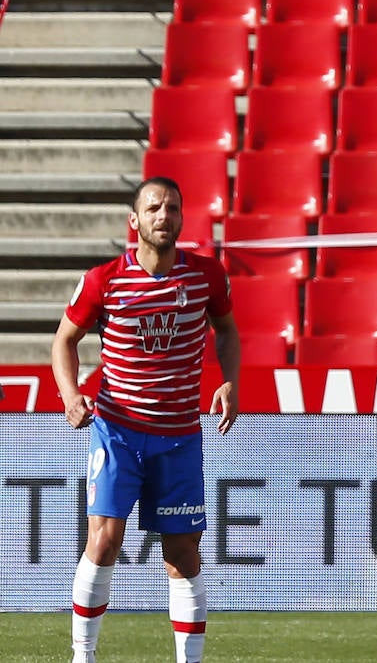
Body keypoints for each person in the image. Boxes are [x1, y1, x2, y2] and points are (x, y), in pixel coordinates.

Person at [52, 177, 240, 663]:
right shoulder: (104, 280)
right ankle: (83, 656)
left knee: (182, 554)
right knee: (105, 539)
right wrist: (71, 394)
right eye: (154, 207)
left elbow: (226, 331)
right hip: (118, 431)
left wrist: (229, 380)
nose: (164, 215)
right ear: (133, 221)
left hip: (178, 436)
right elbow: (64, 341)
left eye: (173, 207)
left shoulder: (205, 275)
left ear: (181, 218)